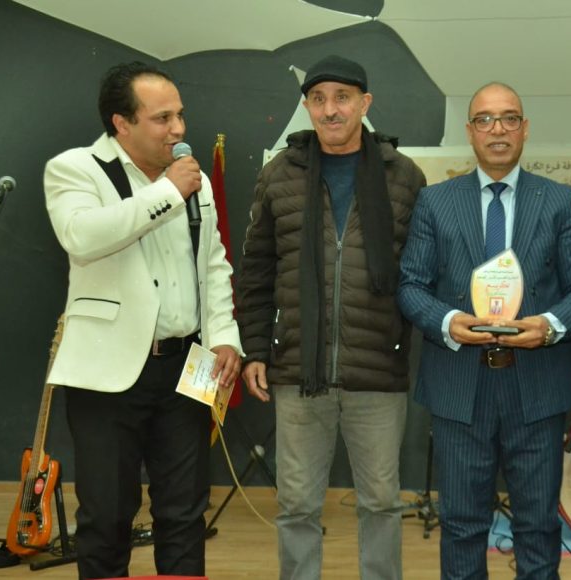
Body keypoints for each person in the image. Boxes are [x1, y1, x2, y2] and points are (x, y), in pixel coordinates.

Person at [43, 61, 243, 579]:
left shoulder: (193, 180)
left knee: (185, 513)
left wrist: (224, 336)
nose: (178, 129)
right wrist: (168, 192)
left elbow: (214, 263)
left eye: (180, 115)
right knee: (107, 516)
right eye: (162, 118)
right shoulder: (76, 168)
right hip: (107, 375)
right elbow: (83, 237)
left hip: (186, 369)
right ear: (122, 123)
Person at [236, 55, 426, 580]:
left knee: (382, 502)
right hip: (300, 369)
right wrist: (256, 349)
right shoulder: (280, 174)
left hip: (378, 370)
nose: (330, 110)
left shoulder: (404, 176)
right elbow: (256, 270)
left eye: (342, 97)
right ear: (307, 107)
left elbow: (422, 271)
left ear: (365, 104)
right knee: (296, 504)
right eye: (318, 99)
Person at [398, 82, 571, 579]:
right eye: (485, 120)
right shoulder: (435, 201)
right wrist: (449, 321)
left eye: (509, 118)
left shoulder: (558, 200)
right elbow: (411, 286)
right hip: (459, 387)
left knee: (538, 527)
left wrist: (549, 326)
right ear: (470, 132)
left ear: (524, 129)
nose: (498, 130)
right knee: (462, 525)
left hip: (538, 386)